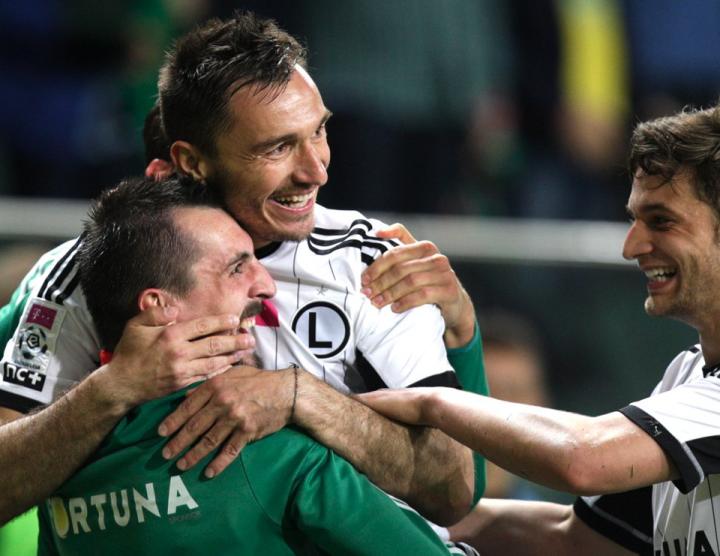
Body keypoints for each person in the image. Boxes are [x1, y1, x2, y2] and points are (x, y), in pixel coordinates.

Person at [0, 11, 482, 527]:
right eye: (277, 147)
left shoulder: (370, 262)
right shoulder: (86, 271)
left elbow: (453, 489)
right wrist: (111, 389)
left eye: (318, 131)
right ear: (191, 162)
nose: (316, 171)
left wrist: (302, 398)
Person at [36, 174, 473, 556]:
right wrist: (464, 337)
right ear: (159, 305)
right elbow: (447, 516)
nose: (266, 285)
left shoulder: (59, 472)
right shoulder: (280, 458)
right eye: (236, 269)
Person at [358, 105, 720, 555]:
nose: (631, 247)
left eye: (661, 221)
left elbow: (582, 457)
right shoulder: (686, 374)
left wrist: (426, 401)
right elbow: (574, 537)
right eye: (634, 220)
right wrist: (361, 504)